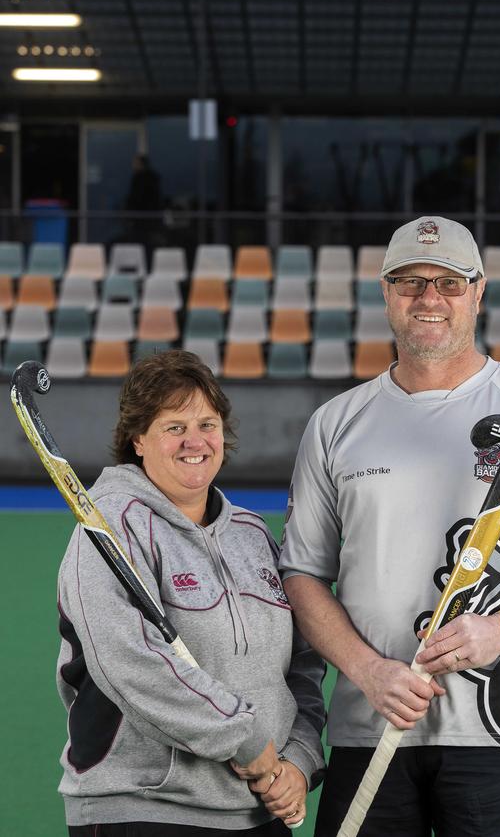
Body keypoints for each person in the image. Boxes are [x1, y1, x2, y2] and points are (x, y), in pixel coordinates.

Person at [279, 216, 500, 837]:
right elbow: (302, 574)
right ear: (386, 292)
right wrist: (366, 671)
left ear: (478, 291)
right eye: (411, 282)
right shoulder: (336, 424)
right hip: (371, 722)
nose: (429, 298)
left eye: (449, 282)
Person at [57, 350, 325, 836]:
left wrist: (298, 762)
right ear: (138, 439)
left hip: (256, 809)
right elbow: (129, 661)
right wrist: (243, 738)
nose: (195, 441)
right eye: (174, 427)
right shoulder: (109, 526)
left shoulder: (251, 534)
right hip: (145, 809)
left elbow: (303, 663)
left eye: (207, 423)